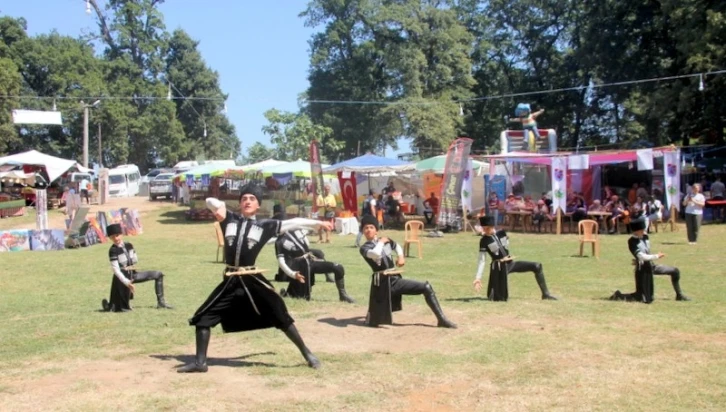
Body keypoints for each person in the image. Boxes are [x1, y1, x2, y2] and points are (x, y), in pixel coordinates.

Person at [177, 184, 333, 373]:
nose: (247, 202)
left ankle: (308, 354)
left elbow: (294, 222)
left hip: (252, 278)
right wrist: (220, 206)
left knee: (280, 316)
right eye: (244, 199)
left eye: (252, 199)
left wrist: (317, 224)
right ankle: (200, 362)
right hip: (231, 279)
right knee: (203, 318)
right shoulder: (229, 219)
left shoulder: (265, 225)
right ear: (240, 203)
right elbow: (210, 202)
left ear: (258, 205)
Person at [358, 215, 457, 328]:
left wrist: (401, 257)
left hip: (394, 279)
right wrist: (382, 242)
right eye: (366, 228)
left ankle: (442, 319)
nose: (368, 230)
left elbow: (397, 246)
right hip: (383, 284)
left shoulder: (385, 241)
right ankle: (442, 320)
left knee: (426, 287)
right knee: (425, 287)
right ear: (362, 231)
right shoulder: (364, 248)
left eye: (371, 227)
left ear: (376, 229)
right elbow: (375, 253)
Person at [473, 216, 558, 301]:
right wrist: (478, 277)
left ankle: (546, 294)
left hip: (510, 263)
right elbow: (482, 260)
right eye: (483, 229)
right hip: (498, 267)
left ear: (492, 226)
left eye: (487, 228)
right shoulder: (484, 241)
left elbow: (506, 243)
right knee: (497, 297)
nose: (485, 231)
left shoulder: (502, 233)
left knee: (537, 266)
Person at [609, 220, 690, 303]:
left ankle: (679, 295)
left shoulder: (645, 237)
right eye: (642, 230)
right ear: (636, 231)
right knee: (642, 298)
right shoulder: (632, 241)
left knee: (675, 271)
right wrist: (656, 256)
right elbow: (641, 256)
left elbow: (646, 252)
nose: (644, 231)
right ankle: (618, 296)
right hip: (642, 270)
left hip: (651, 266)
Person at [101, 223, 173, 312]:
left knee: (158, 274)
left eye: (117, 235)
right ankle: (110, 306)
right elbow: (116, 270)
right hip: (122, 278)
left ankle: (161, 302)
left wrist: (132, 260)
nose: (116, 238)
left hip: (133, 275)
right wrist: (127, 282)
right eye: (112, 237)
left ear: (121, 234)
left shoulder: (129, 245)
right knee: (120, 308)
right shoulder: (113, 250)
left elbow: (135, 259)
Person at [276, 228, 355, 303]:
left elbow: (306, 244)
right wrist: (292, 274)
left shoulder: (297, 232)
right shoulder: (279, 242)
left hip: (310, 261)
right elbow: (281, 262)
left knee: (338, 267)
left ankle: (343, 295)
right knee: (302, 296)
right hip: (299, 266)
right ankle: (288, 293)